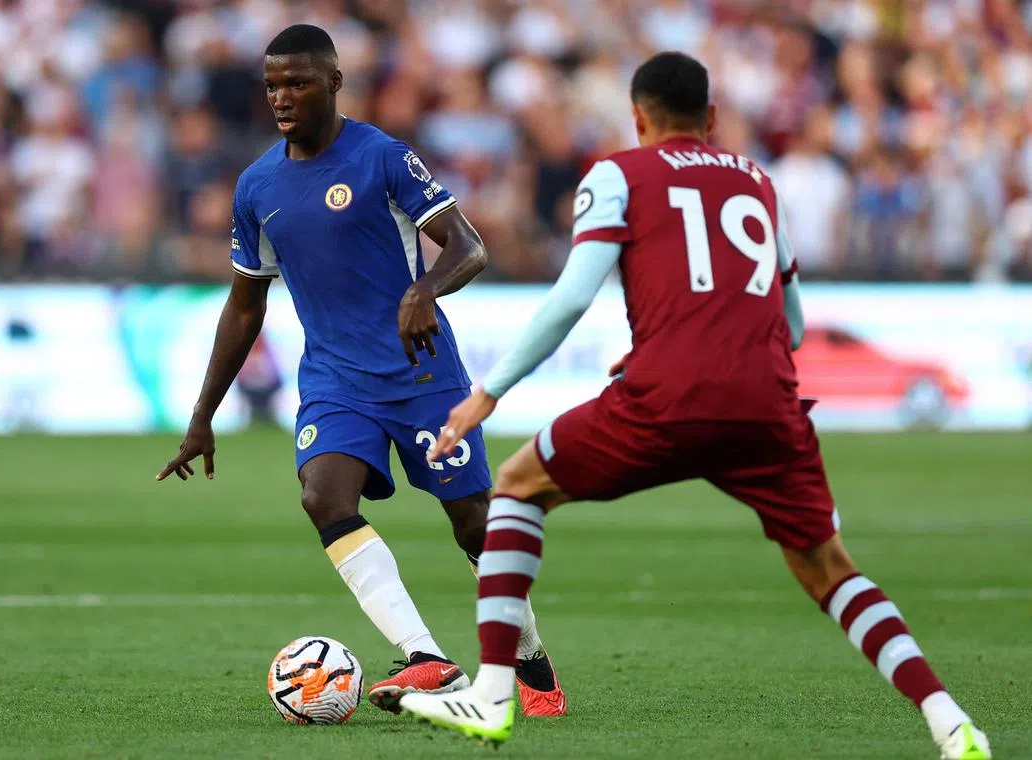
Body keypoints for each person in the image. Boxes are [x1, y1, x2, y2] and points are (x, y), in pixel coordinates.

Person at [399, 52, 990, 760]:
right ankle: (950, 721)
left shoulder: (618, 174)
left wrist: (488, 393)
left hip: (666, 397)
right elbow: (794, 326)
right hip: (767, 404)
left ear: (638, 116)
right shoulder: (760, 184)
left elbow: (572, 297)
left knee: (520, 488)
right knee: (830, 568)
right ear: (711, 119)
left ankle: (494, 693)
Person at [154, 25, 566, 717]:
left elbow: (469, 247)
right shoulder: (257, 186)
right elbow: (244, 306)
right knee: (323, 498)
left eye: (298, 83)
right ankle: (427, 658)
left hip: (423, 376)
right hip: (335, 381)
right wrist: (201, 417)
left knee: (472, 524)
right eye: (273, 85)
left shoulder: (383, 158)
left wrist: (424, 290)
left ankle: (529, 656)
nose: (282, 97)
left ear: (335, 81)